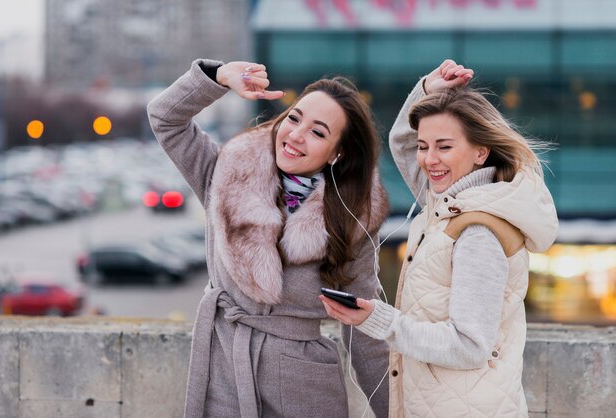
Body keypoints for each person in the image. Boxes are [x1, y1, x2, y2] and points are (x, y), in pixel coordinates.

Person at [147, 59, 390, 418]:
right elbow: (165, 117)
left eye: (318, 132)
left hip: (305, 389)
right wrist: (220, 77)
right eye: (294, 118)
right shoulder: (227, 175)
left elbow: (364, 330)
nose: (295, 135)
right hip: (224, 372)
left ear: (338, 153)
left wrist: (392, 409)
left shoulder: (352, 220)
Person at [321, 59, 559, 417]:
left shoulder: (478, 232)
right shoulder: (448, 201)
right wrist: (427, 91)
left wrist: (382, 321)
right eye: (424, 146)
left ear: (481, 152)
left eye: (444, 147)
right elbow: (401, 142)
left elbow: (469, 345)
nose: (429, 159)